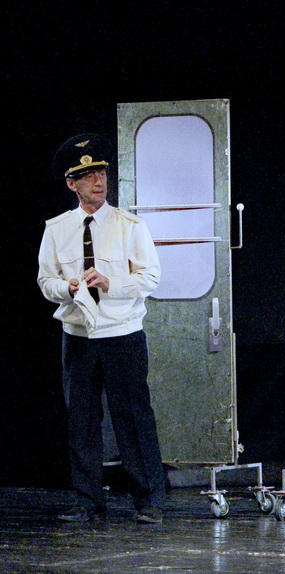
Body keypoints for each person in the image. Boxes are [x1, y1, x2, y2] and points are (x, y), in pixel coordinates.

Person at [37, 133, 166, 524]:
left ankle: (148, 501)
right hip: (78, 338)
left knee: (132, 417)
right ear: (71, 184)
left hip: (121, 334)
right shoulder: (57, 228)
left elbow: (150, 276)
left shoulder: (129, 226)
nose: (98, 181)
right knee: (81, 420)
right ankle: (88, 501)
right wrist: (68, 287)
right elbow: (46, 281)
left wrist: (111, 282)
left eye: (102, 173)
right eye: (88, 175)